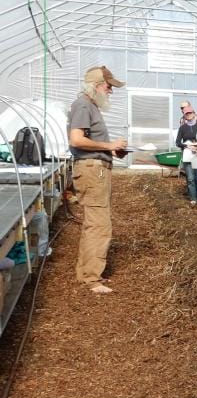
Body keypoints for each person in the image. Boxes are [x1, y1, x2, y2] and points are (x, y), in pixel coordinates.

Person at [67, 65, 127, 294]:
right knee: (100, 225)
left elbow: (86, 141)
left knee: (94, 223)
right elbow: (76, 140)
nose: (111, 90)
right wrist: (108, 146)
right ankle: (91, 278)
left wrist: (111, 152)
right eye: (108, 86)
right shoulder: (83, 104)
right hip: (93, 171)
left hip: (95, 168)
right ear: (96, 85)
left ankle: (87, 273)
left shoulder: (89, 106)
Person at [175, 105, 197, 205]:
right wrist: (186, 145)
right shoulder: (182, 128)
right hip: (187, 154)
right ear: (184, 116)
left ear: (194, 113)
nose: (189, 115)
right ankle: (193, 198)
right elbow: (177, 142)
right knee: (190, 178)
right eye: (187, 114)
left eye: (190, 113)